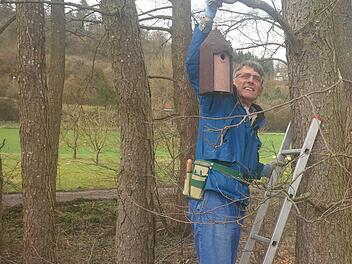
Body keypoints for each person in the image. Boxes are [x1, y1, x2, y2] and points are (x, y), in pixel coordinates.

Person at [185, 1, 278, 263]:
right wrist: (207, 17)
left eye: (256, 79)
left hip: (237, 199)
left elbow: (245, 166)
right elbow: (193, 65)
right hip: (213, 195)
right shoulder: (217, 100)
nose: (250, 80)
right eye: (244, 75)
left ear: (260, 88)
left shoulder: (252, 122)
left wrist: (265, 169)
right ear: (233, 81)